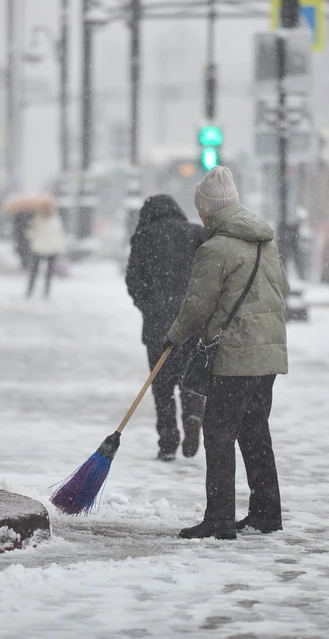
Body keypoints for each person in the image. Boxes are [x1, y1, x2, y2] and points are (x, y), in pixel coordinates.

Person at [164, 166, 289, 541]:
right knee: (254, 432)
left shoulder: (215, 249)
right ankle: (267, 513)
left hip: (235, 356)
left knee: (218, 433)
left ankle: (219, 518)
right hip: (267, 356)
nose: (200, 217)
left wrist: (174, 337)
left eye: (202, 210)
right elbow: (277, 291)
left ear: (211, 211)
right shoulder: (265, 242)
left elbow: (197, 306)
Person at [126, 195, 206, 462]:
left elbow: (133, 281)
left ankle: (168, 441)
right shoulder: (196, 234)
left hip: (157, 326)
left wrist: (151, 306)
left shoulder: (144, 237)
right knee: (190, 378)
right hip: (192, 322)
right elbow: (209, 275)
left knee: (162, 386)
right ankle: (194, 413)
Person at [25, 202, 65, 298]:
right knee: (34, 272)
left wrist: (59, 247)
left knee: (49, 273)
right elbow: (30, 232)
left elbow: (59, 234)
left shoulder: (56, 220)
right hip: (38, 248)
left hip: (52, 249)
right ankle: (30, 291)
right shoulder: (36, 219)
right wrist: (32, 235)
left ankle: (46, 292)